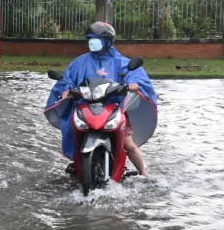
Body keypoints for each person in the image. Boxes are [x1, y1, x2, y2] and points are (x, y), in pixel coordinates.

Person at [46, 21, 157, 176]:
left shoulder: (121, 61)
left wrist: (134, 84)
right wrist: (65, 89)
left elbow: (136, 75)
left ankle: (144, 173)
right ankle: (78, 160)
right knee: (74, 129)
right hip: (85, 107)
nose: (91, 42)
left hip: (113, 108)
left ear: (106, 41)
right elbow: (67, 79)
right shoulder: (81, 62)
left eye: (95, 38)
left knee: (129, 145)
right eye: (90, 38)